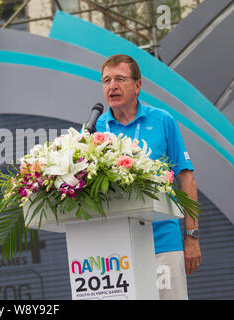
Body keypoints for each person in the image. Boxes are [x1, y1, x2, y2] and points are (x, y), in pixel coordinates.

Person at [95, 54, 202, 300]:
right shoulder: (95, 129)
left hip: (163, 242)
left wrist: (192, 237)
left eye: (120, 79)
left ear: (138, 85)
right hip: (115, 250)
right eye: (106, 80)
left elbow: (187, 180)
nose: (112, 86)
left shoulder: (163, 121)